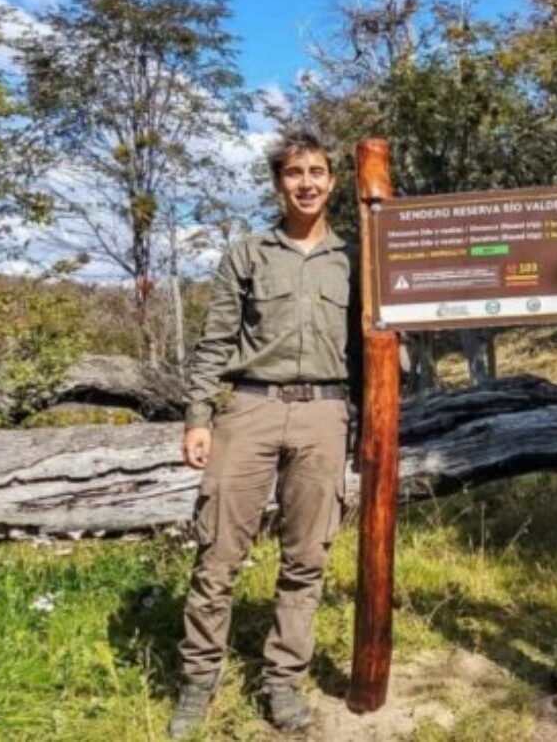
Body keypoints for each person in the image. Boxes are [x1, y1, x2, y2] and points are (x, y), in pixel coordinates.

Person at [168, 129, 361, 738]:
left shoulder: (356, 258)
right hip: (249, 409)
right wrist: (199, 415)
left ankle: (283, 683)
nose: (307, 183)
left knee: (307, 559)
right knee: (218, 555)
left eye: (318, 172)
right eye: (294, 173)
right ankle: (198, 682)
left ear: (333, 181)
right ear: (279, 183)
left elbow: (370, 345)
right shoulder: (248, 253)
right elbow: (215, 341)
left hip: (326, 414)